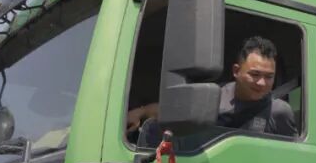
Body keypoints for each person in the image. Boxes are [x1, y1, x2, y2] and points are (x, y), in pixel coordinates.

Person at [126, 35, 297, 138]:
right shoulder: (213, 97)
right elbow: (175, 111)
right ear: (236, 71)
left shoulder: (279, 112)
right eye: (255, 74)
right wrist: (141, 112)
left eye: (269, 77)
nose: (262, 83)